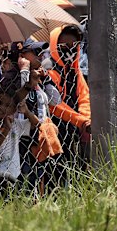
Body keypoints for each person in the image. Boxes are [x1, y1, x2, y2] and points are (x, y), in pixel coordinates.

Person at [45, 25, 91, 168]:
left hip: (73, 127)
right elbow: (54, 105)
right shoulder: (48, 68)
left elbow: (84, 95)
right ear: (55, 44)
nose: (70, 49)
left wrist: (86, 119)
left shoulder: (74, 69)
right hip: (55, 127)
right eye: (65, 45)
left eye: (75, 45)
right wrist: (81, 121)